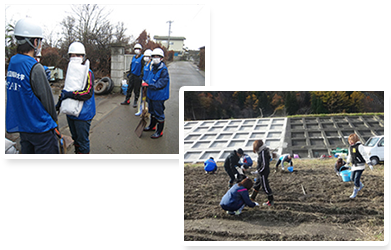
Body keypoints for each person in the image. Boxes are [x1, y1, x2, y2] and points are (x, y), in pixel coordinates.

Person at [6, 18, 59, 154]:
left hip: (23, 128)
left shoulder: (13, 62)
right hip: (41, 130)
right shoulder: (35, 67)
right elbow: (47, 102)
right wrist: (55, 124)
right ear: (35, 42)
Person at [57, 42, 96, 154]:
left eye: (78, 55)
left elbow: (87, 93)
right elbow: (67, 88)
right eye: (72, 55)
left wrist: (70, 95)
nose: (75, 58)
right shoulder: (70, 72)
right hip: (71, 113)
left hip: (83, 114)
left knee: (83, 140)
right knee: (76, 139)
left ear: (83, 57)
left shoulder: (88, 73)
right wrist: (60, 101)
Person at [142, 48, 170, 139]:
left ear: (161, 58)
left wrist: (149, 85)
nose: (155, 58)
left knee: (159, 114)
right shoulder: (152, 67)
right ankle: (152, 126)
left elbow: (161, 83)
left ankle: (159, 131)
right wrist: (145, 82)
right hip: (151, 95)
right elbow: (150, 79)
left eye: (157, 57)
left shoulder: (163, 70)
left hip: (159, 96)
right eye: (153, 56)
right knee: (152, 112)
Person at [346, 133, 373, 198]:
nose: (350, 142)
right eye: (349, 140)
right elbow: (350, 155)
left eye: (351, 140)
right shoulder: (350, 147)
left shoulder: (360, 146)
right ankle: (360, 185)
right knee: (352, 178)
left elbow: (364, 155)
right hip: (354, 166)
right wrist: (347, 163)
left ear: (355, 140)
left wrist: (369, 163)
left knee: (356, 179)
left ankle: (355, 192)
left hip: (360, 166)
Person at [250, 140, 274, 206]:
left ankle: (270, 200)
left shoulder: (263, 153)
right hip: (261, 172)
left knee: (265, 186)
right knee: (257, 184)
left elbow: (264, 164)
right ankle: (252, 197)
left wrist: (260, 171)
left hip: (263, 172)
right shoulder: (262, 151)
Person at [136, 49, 153, 116]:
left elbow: (151, 75)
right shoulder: (145, 64)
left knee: (148, 98)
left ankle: (148, 112)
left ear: (150, 57)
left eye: (147, 56)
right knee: (143, 97)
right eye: (145, 56)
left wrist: (148, 82)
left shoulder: (151, 65)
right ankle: (141, 110)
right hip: (143, 83)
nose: (145, 57)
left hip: (148, 84)